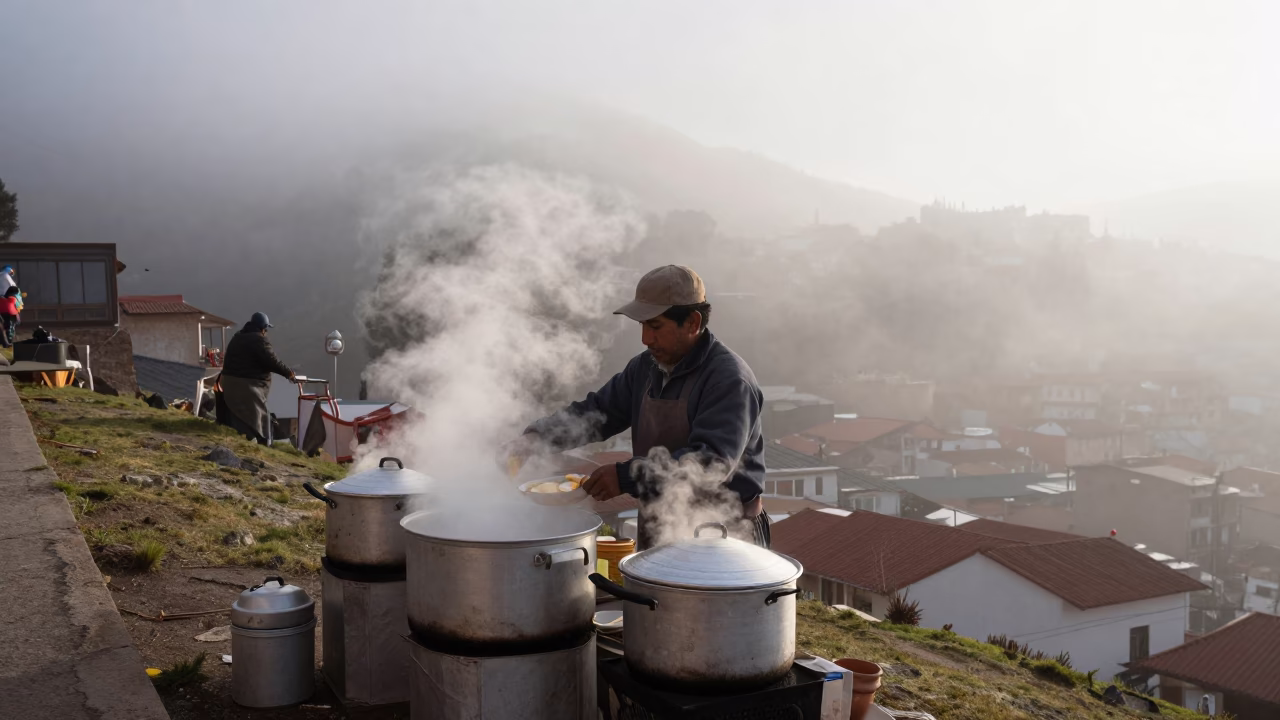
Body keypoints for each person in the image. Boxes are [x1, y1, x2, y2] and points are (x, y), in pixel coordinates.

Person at [509, 265, 767, 550]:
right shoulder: (645, 368)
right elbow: (596, 413)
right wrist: (536, 438)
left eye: (655, 327)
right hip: (660, 525)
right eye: (642, 326)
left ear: (693, 323)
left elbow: (710, 463)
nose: (645, 339)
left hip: (723, 535)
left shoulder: (729, 380)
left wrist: (626, 476)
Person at [215, 312, 295, 445]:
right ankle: (263, 439)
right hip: (246, 386)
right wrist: (289, 373)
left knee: (246, 413)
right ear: (263, 328)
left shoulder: (237, 337)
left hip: (227, 384)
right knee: (258, 415)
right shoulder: (259, 340)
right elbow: (272, 362)